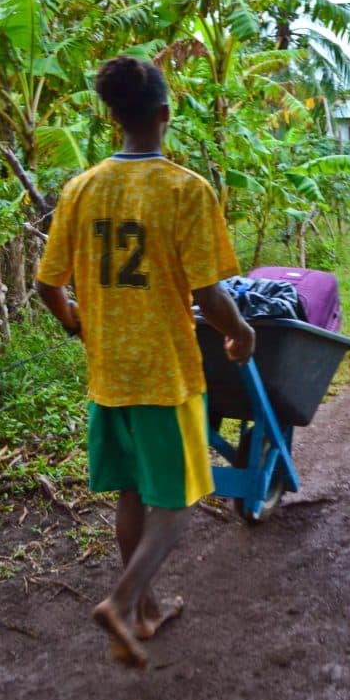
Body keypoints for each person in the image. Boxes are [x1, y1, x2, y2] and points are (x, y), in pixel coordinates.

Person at [35, 55, 255, 668]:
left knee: (130, 493)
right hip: (167, 373)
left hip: (108, 374)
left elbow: (49, 283)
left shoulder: (81, 188)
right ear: (163, 115)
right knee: (177, 501)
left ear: (114, 119)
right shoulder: (184, 189)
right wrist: (241, 336)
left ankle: (148, 609)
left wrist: (76, 322)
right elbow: (210, 297)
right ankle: (122, 600)